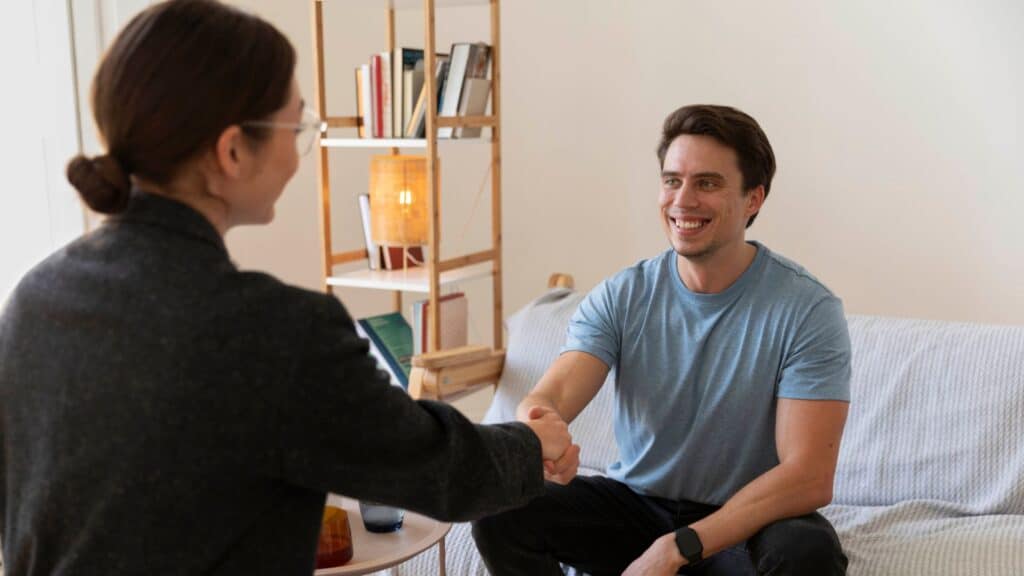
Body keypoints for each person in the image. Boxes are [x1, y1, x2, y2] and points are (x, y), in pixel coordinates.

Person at [0, 1, 575, 574]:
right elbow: (436, 466)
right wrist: (531, 443)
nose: (301, 152)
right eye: (296, 126)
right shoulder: (273, 329)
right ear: (231, 151)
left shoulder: (35, 298)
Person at [472, 104, 852, 576]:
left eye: (707, 183)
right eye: (672, 180)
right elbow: (554, 393)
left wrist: (677, 548)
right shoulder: (623, 294)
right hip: (635, 508)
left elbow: (808, 477)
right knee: (500, 510)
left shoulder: (807, 310)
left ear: (753, 199)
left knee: (805, 551)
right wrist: (538, 426)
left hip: (743, 522)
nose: (682, 200)